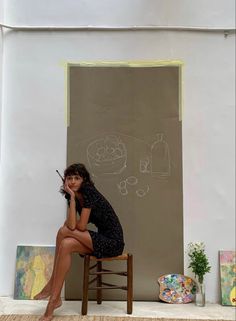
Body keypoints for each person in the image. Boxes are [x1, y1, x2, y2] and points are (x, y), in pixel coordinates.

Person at [35, 163, 125, 321]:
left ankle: (51, 285)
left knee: (63, 232)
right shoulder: (74, 196)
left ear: (84, 180)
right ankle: (54, 301)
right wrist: (72, 198)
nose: (72, 181)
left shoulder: (89, 192)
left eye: (77, 178)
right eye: (69, 178)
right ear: (65, 181)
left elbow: (80, 227)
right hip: (99, 240)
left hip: (113, 242)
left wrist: (72, 207)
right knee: (66, 244)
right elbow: (71, 224)